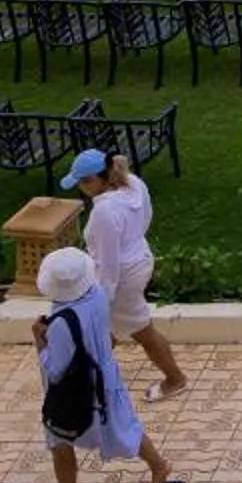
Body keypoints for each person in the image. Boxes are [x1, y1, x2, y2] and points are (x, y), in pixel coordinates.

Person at [33, 247, 181, 483]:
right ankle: (158, 466)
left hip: (75, 393)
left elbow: (56, 371)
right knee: (125, 425)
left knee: (59, 441)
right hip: (107, 380)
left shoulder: (61, 324)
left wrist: (40, 342)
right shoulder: (98, 296)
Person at [63, 146, 190, 401]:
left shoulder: (104, 213)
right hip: (139, 260)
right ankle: (88, 379)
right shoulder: (134, 184)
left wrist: (101, 298)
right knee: (106, 328)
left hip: (121, 278)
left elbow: (108, 263)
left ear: (97, 180)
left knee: (141, 331)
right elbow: (146, 217)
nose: (81, 189)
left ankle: (175, 379)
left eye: (83, 183)